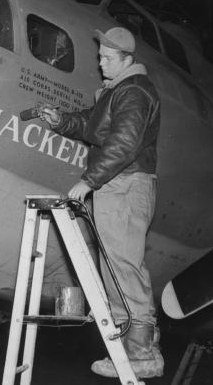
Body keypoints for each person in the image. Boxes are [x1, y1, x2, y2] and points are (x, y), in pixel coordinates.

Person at [38, 26, 163, 378]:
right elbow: (95, 127)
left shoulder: (135, 91)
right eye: (100, 57)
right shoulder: (117, 92)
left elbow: (124, 142)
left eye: (108, 58)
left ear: (127, 59)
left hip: (125, 184)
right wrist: (61, 120)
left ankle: (142, 350)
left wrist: (88, 181)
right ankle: (129, 347)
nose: (101, 63)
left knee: (123, 263)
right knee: (113, 266)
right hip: (116, 184)